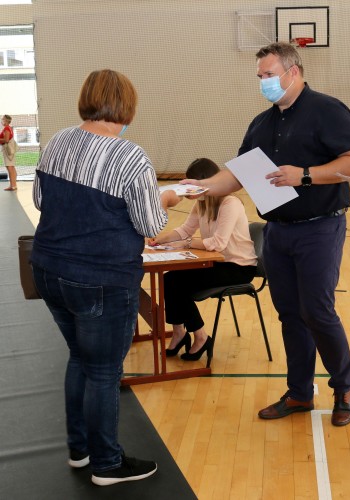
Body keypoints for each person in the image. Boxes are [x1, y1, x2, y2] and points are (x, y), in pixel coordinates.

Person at [183, 42, 350, 425]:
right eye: (260, 77)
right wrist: (198, 187)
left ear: (293, 72)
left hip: (320, 226)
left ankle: (343, 388)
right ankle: (300, 392)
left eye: (269, 75)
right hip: (278, 232)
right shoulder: (261, 124)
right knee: (289, 314)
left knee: (317, 310)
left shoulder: (328, 110)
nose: (263, 82)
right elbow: (234, 175)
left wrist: (304, 174)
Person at [31, 69, 179, 486]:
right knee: (103, 371)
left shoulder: (57, 140)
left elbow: (42, 201)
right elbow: (150, 222)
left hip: (48, 270)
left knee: (80, 357)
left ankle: (79, 449)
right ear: (126, 106)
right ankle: (107, 463)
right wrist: (167, 196)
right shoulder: (130, 157)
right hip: (99, 278)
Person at [149, 158, 257, 362]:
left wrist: (187, 244)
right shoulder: (202, 203)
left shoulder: (230, 203)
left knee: (177, 282)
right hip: (217, 263)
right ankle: (179, 332)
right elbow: (185, 230)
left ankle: (200, 336)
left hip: (238, 267)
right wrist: (158, 240)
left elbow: (218, 243)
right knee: (170, 279)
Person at [0, 114, 18, 191]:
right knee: (12, 167)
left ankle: (12, 186)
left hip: (8, 150)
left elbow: (6, 140)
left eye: (3, 119)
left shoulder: (7, 128)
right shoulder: (8, 128)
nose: (1, 120)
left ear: (6, 120)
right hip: (8, 150)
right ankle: (14, 185)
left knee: (10, 167)